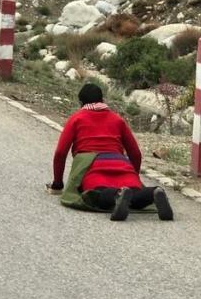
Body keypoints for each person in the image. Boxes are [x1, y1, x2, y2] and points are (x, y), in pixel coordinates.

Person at [47, 83, 174, 221]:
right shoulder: (117, 119)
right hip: (121, 164)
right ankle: (154, 192)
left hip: (92, 166)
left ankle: (117, 196)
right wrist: (133, 175)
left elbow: (60, 153)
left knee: (97, 193)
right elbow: (135, 153)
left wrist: (58, 183)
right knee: (135, 194)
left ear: (81, 102)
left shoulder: (77, 118)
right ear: (102, 100)